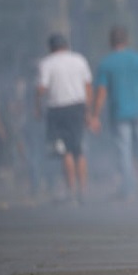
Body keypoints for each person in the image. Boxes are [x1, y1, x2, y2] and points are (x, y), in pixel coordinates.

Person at [89, 25, 138, 202]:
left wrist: (95, 115)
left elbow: (101, 92)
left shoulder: (106, 63)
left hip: (119, 112)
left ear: (111, 42)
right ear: (126, 40)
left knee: (124, 151)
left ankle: (129, 190)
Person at [35, 33, 93, 204]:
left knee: (65, 151)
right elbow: (88, 86)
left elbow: (41, 89)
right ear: (66, 45)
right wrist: (88, 111)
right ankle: (83, 189)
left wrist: (37, 107)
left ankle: (71, 190)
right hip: (77, 107)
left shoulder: (46, 63)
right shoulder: (79, 60)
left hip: (57, 109)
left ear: (51, 47)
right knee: (79, 150)